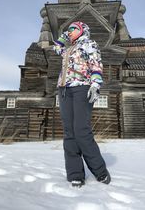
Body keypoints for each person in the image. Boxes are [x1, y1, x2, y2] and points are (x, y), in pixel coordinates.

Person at [53, 21, 111, 188]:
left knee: (81, 130)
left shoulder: (89, 44)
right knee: (69, 133)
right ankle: (75, 174)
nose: (70, 31)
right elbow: (56, 48)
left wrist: (95, 84)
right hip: (64, 90)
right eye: (68, 29)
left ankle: (100, 172)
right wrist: (63, 37)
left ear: (82, 30)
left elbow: (96, 65)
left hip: (82, 88)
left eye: (73, 29)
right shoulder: (67, 48)